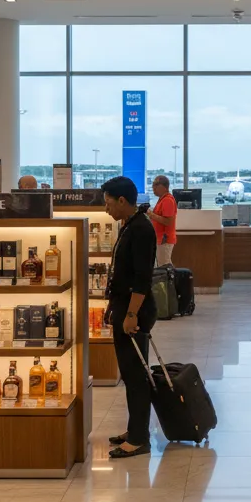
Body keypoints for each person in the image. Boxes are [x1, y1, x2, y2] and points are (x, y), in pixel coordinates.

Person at [101, 176, 157, 458]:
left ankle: (139, 439)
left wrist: (131, 314)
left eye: (108, 203)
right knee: (129, 371)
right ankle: (135, 428)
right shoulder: (128, 225)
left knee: (135, 375)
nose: (106, 209)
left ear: (122, 201)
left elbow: (142, 279)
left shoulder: (142, 230)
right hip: (124, 306)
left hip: (137, 310)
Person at [148, 175, 178, 266]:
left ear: (163, 186)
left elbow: (168, 221)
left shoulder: (167, 200)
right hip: (160, 239)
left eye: (155, 184)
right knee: (162, 265)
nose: (153, 187)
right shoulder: (162, 199)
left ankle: (171, 280)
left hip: (165, 239)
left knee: (164, 266)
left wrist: (151, 214)